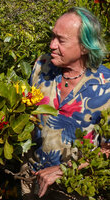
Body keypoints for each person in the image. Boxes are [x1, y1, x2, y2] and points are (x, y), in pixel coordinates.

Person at [21, 7, 110, 200]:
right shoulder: (41, 66)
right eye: (53, 36)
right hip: (30, 183)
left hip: (73, 191)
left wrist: (64, 170)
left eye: (61, 40)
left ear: (85, 46)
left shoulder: (106, 86)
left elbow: (108, 150)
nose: (52, 45)